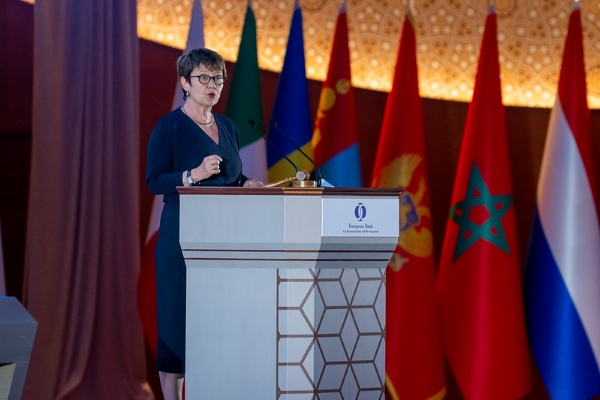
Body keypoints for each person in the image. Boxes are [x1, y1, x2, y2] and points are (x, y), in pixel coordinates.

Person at [145, 48, 263, 400]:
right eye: (204, 78)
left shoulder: (226, 126)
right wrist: (191, 175)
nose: (214, 85)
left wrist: (248, 184)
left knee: (217, 326)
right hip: (181, 239)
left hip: (223, 239)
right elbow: (153, 180)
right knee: (178, 323)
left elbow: (232, 177)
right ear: (185, 82)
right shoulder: (170, 126)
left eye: (219, 78)